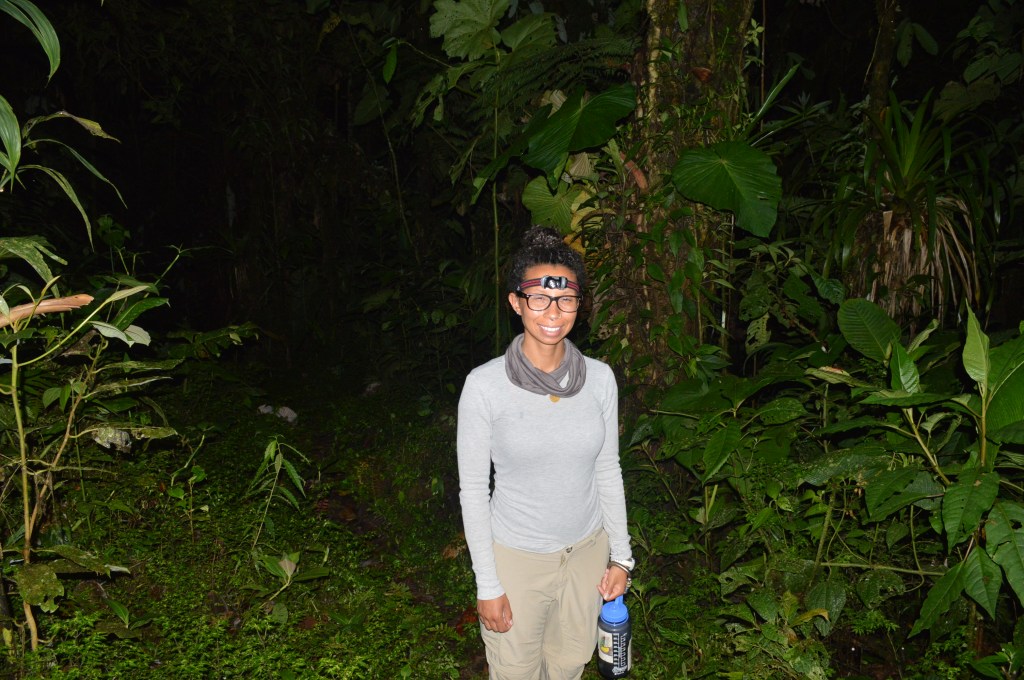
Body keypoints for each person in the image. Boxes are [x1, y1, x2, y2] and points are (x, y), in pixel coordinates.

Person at [457, 226, 634, 680]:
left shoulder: (600, 379)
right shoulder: (484, 386)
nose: (553, 312)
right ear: (516, 303)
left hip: (587, 557)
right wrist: (488, 583)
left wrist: (621, 556)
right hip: (517, 559)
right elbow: (474, 490)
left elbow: (608, 470)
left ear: (579, 303)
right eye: (539, 298)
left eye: (566, 299)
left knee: (570, 666)